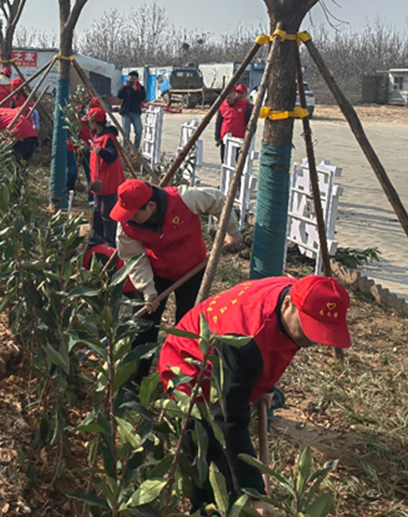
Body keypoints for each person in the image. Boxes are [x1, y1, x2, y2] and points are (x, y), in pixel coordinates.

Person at [158, 274, 351, 516]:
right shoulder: (245, 339)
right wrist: (254, 492)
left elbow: (269, 346)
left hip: (229, 361)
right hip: (189, 370)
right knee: (209, 462)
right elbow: (229, 419)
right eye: (308, 328)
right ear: (288, 304)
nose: (312, 339)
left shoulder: (294, 294)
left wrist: (264, 387)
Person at [108, 178, 242, 382]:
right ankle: (135, 382)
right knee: (144, 327)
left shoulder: (184, 199)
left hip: (192, 269)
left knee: (187, 326)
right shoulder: (126, 227)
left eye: (134, 214)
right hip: (156, 271)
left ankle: (180, 379)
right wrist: (148, 289)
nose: (129, 219)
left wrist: (231, 231)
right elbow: (135, 260)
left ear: (150, 206)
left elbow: (217, 200)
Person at [87, 107, 125, 246]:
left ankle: (110, 243)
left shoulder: (108, 138)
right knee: (97, 212)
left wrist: (102, 151)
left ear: (95, 122)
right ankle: (97, 240)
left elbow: (112, 156)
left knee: (107, 214)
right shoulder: (96, 135)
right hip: (99, 182)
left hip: (109, 182)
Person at [215, 85, 253, 162]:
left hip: (239, 139)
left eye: (229, 93)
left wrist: (249, 137)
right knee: (224, 161)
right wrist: (217, 138)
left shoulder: (244, 104)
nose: (227, 96)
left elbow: (249, 122)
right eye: (226, 94)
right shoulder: (222, 105)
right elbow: (218, 122)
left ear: (234, 93)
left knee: (238, 161)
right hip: (225, 139)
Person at [116, 70, 147, 149]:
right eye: (130, 79)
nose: (131, 81)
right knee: (126, 132)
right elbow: (119, 95)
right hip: (125, 112)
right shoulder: (126, 87)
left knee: (139, 130)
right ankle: (126, 148)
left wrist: (136, 90)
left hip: (135, 112)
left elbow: (142, 98)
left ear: (137, 79)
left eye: (133, 79)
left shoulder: (140, 88)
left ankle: (136, 147)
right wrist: (124, 87)